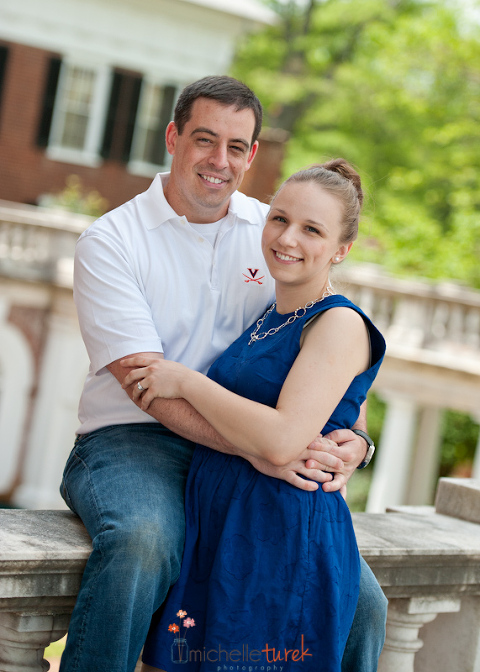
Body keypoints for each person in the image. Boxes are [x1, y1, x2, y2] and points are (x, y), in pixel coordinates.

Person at [60, 76, 387, 672]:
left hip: (251, 447)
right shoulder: (111, 241)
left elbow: (329, 345)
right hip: (133, 441)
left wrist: (357, 439)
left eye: (236, 146)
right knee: (142, 545)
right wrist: (263, 450)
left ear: (252, 153)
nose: (219, 160)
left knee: (361, 600)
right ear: (173, 137)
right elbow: (145, 386)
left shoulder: (275, 229)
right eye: (204, 139)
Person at [122, 160, 385, 672]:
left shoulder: (338, 322)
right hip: (222, 529)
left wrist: (186, 382)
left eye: (312, 230)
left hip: (278, 541)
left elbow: (283, 441)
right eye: (279, 219)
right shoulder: (272, 313)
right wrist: (360, 440)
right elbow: (345, 406)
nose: (287, 238)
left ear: (342, 249)